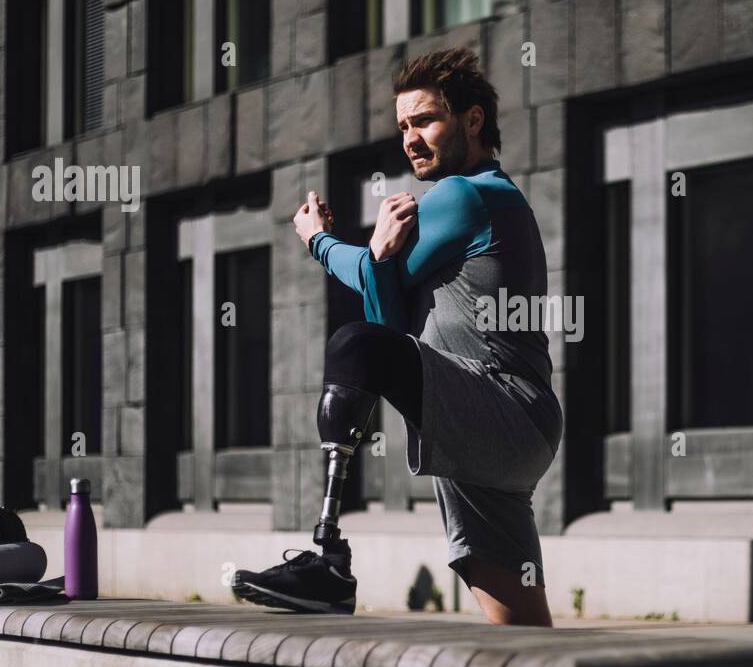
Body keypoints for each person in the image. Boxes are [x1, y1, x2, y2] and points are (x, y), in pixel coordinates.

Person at [232, 47, 561, 627]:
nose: (411, 138)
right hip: (502, 429)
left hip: (500, 407)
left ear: (472, 120)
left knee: (351, 345)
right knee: (521, 632)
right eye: (404, 126)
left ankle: (329, 557)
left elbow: (372, 341)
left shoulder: (469, 195)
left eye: (426, 120)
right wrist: (380, 256)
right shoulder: (482, 200)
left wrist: (317, 240)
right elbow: (392, 329)